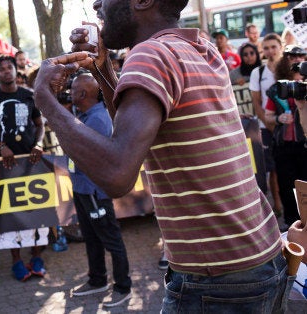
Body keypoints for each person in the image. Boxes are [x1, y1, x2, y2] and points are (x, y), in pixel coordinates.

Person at [35, 0, 288, 311]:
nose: (96, 3)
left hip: (217, 278)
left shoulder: (150, 54)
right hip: (258, 258)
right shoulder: (197, 45)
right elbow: (136, 132)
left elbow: (117, 175)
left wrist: (47, 102)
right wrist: (103, 70)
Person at [0, 55, 47, 282]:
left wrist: (38, 143)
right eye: (1, 69)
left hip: (32, 162)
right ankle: (16, 260)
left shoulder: (29, 95)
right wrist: (0, 145)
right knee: (11, 213)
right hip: (5, 166)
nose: (6, 71)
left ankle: (36, 257)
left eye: (10, 67)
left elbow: (40, 125)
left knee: (36, 210)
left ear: (17, 70)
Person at [67, 73, 132, 306]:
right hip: (82, 188)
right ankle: (97, 280)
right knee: (92, 237)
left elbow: (92, 157)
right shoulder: (83, 114)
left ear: (83, 94)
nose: (70, 92)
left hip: (95, 191)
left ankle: (123, 287)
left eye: (73, 89)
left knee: (110, 238)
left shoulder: (97, 119)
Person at [263, 49, 307, 227]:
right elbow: (268, 116)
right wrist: (278, 119)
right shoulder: (277, 88)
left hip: (304, 145)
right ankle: (291, 223)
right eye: (291, 57)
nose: (296, 60)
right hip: (283, 146)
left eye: (301, 57)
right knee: (287, 186)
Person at [250, 33, 284, 214]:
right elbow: (257, 102)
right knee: (273, 168)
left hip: (288, 126)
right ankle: (277, 205)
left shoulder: (288, 68)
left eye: (274, 47)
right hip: (266, 128)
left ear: (281, 47)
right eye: (267, 48)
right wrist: (269, 123)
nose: (270, 51)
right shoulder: (258, 72)